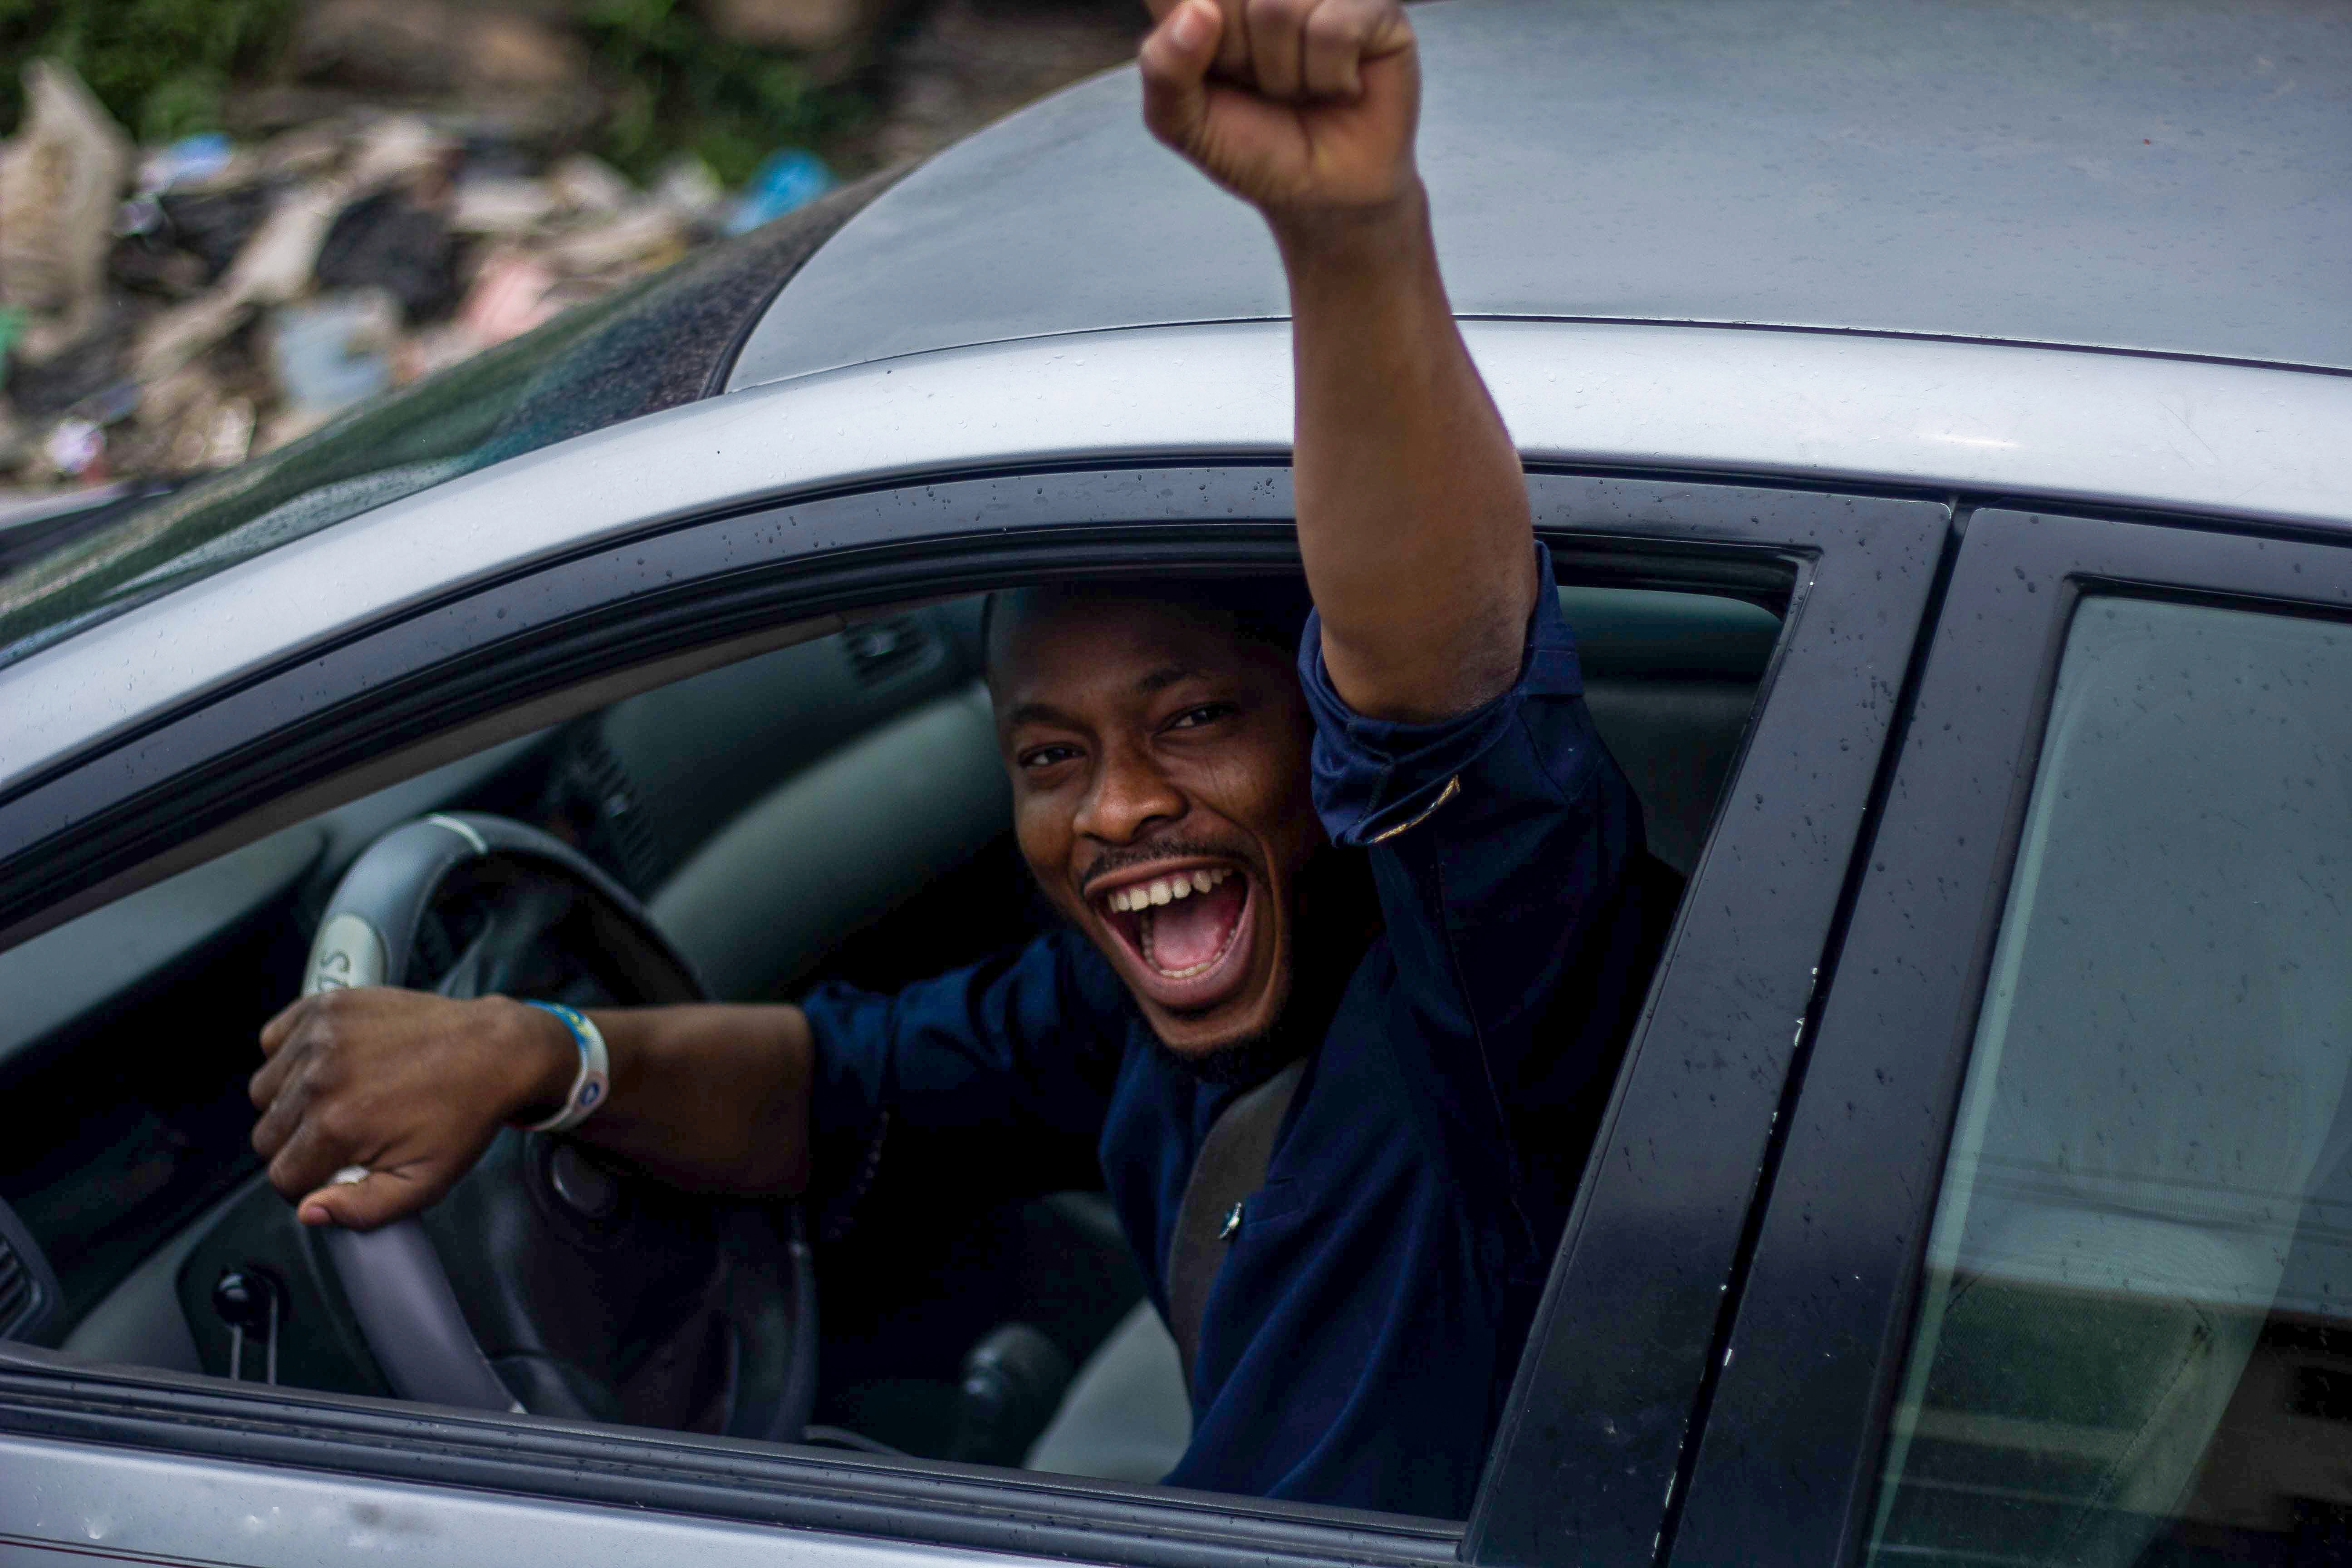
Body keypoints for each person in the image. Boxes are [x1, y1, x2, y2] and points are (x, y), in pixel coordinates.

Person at [248, 0, 1668, 1519]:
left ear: (1320, 727)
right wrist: (542, 1057)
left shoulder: (1486, 994)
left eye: (1195, 720)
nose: (1117, 807)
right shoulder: (1147, 999)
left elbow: (1439, 685)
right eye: (1052, 755)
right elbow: (851, 1090)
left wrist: (1351, 237)